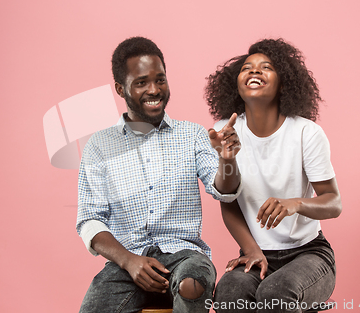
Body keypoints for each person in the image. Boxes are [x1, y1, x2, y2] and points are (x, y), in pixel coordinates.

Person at [77, 36, 242, 313]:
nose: (154, 89)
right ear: (120, 88)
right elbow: (90, 220)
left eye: (160, 79)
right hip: (127, 262)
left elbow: (223, 190)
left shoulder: (192, 135)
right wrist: (129, 261)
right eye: (141, 82)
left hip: (184, 256)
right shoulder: (99, 145)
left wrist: (228, 159)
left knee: (194, 283)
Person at [205, 38, 342, 313]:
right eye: (247, 68)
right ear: (236, 83)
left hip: (308, 253)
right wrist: (226, 158)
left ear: (284, 83)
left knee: (275, 294)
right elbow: (228, 201)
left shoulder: (306, 133)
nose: (254, 71)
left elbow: (333, 202)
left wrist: (296, 203)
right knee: (228, 296)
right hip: (255, 252)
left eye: (265, 67)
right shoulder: (224, 132)